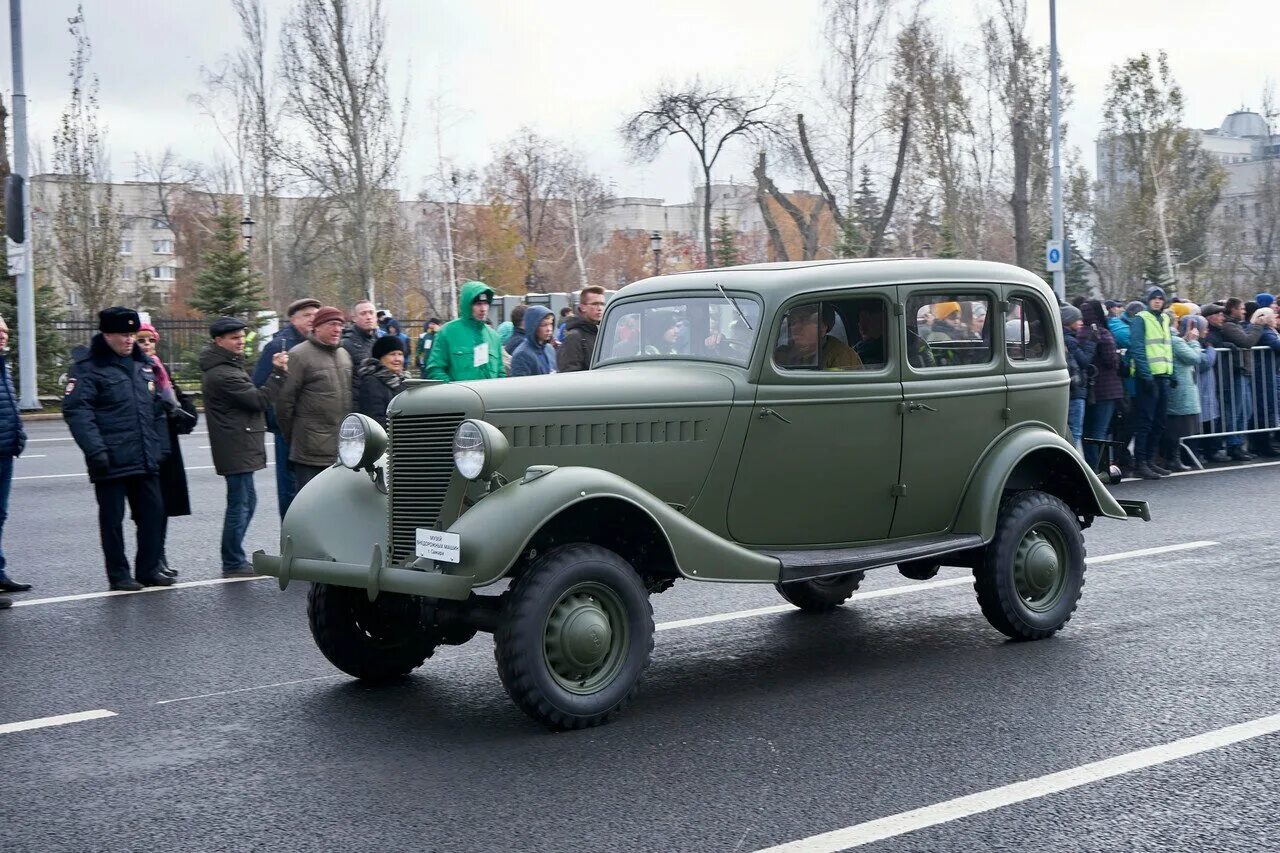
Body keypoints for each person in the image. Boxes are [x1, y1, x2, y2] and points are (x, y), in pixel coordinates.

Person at [63, 307, 174, 591]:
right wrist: (95, 451)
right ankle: (119, 575)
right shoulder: (88, 368)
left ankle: (148, 570)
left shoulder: (142, 365)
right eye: (123, 335)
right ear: (107, 335)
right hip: (110, 459)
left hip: (145, 457)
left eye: (132, 335)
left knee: (153, 515)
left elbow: (156, 411)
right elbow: (78, 411)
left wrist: (160, 446)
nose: (129, 340)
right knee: (112, 521)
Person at [201, 317, 278, 576]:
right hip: (235, 446)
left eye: (242, 336)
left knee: (248, 502)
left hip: (239, 444)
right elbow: (258, 400)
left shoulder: (229, 367)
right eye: (234, 338)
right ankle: (232, 560)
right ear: (219, 341)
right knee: (240, 504)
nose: (240, 341)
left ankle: (234, 556)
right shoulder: (223, 373)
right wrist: (278, 374)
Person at [136, 324, 198, 578]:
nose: (147, 344)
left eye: (151, 340)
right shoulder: (136, 371)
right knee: (150, 509)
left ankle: (160, 557)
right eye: (141, 340)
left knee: (163, 508)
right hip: (149, 447)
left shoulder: (160, 368)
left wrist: (185, 411)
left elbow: (177, 399)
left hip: (168, 446)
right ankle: (151, 561)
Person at [270, 305, 353, 491]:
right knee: (311, 507)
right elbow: (284, 403)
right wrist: (294, 436)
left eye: (340, 325)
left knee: (337, 505)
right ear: (317, 327)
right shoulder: (299, 355)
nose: (337, 329)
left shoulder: (344, 355)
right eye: (332, 324)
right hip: (310, 453)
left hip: (340, 450)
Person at [253, 297, 320, 519]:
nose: (312, 319)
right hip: (288, 429)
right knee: (290, 488)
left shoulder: (317, 343)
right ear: (293, 319)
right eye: (306, 315)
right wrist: (279, 423)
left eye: (314, 315)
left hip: (314, 427)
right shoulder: (278, 346)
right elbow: (261, 384)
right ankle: (290, 540)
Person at [1204, 300, 1261, 462]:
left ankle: (1237, 443)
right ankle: (1232, 444)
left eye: (1222, 314)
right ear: (1209, 317)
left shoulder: (1227, 327)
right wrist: (1258, 326)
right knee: (1234, 412)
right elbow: (1246, 342)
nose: (1222, 317)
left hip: (1237, 373)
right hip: (1230, 374)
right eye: (1218, 314)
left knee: (1245, 410)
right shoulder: (1226, 328)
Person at [1127, 287, 1174, 479]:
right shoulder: (1141, 318)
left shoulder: (1164, 319)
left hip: (1162, 376)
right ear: (1148, 301)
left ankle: (1150, 461)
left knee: (1159, 422)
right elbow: (1138, 348)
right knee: (1145, 422)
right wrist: (1146, 376)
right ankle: (1141, 463)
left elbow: (1167, 348)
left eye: (1160, 299)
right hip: (1147, 378)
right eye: (1153, 298)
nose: (1157, 301)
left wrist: (1173, 374)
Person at [0, 314, 29, 607]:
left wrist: (18, 435)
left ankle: (0, 574)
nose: (3, 335)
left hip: (5, 451)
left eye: (5, 331)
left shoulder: (3, 366)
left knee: (0, 516)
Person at [426, 281, 505, 382]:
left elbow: (500, 373)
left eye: (486, 303)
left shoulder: (494, 337)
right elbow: (435, 369)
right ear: (467, 305)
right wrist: (456, 391)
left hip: (489, 397)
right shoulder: (447, 332)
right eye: (478, 304)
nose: (483, 309)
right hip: (459, 396)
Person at [1162, 315, 1211, 472]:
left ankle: (1172, 458)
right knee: (1175, 426)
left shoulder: (1174, 339)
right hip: (1180, 386)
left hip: (1178, 385)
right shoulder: (1175, 341)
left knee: (1175, 425)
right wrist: (1194, 341)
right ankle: (1172, 459)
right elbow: (1195, 358)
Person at [1079, 300, 1123, 471]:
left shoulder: (1080, 332)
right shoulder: (1103, 333)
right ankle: (1101, 468)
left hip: (1089, 389)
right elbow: (1111, 361)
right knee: (1100, 431)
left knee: (1087, 431)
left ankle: (1091, 467)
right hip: (1107, 389)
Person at [775, 303, 861, 370]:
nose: (795, 327)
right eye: (793, 322)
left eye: (803, 321)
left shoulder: (842, 356)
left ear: (822, 327)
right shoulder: (778, 356)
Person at [1061, 305, 1096, 450]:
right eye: (1078, 319)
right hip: (1076, 391)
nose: (1081, 322)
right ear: (1069, 321)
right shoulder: (1070, 340)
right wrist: (1091, 343)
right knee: (1075, 432)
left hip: (1071, 392)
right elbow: (1084, 361)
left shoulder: (1066, 338)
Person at [354, 335, 408, 427]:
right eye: (392, 354)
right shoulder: (371, 382)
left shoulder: (405, 381)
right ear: (380, 358)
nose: (397, 359)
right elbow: (375, 419)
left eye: (400, 354)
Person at [557, 286, 606, 373]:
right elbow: (569, 373)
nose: (599, 308)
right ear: (583, 307)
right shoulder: (574, 337)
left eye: (602, 304)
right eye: (595, 304)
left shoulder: (601, 332)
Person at [510, 306, 558, 376]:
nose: (549, 329)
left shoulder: (549, 349)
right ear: (533, 326)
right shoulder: (521, 354)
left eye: (550, 324)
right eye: (544, 325)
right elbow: (521, 385)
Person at [341, 299, 380, 366]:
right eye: (363, 313)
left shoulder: (380, 341)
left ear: (376, 317)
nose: (368, 317)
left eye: (371, 313)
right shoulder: (346, 343)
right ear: (354, 318)